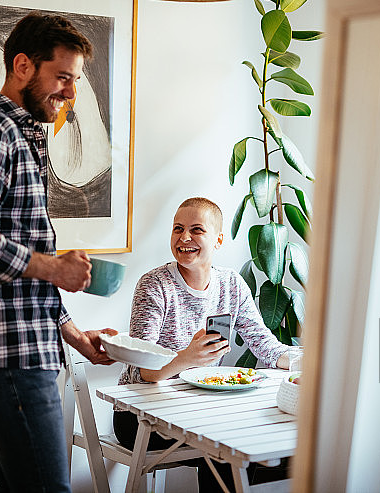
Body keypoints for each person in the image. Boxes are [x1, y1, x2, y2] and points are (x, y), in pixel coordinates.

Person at [0, 12, 116, 493]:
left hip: (18, 346)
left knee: (14, 485)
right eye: (62, 77)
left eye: (75, 81)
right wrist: (55, 267)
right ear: (21, 66)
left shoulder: (22, 135)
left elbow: (25, 268)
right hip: (2, 350)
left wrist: (75, 335)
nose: (71, 94)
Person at [114, 197, 292, 492]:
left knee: (253, 445)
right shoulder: (154, 285)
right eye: (177, 229)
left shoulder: (232, 284)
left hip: (202, 409)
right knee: (224, 447)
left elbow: (267, 348)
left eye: (196, 230)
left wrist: (307, 360)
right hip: (138, 416)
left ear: (218, 240)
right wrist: (188, 357)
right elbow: (139, 373)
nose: (184, 238)